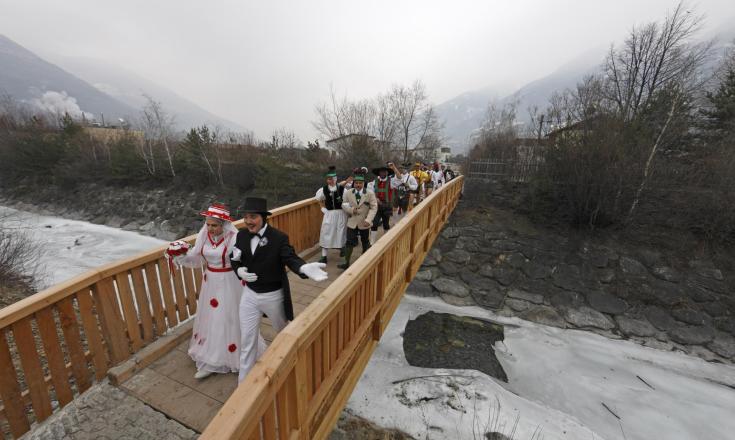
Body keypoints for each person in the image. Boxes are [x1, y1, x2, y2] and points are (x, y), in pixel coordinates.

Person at [230, 197, 328, 382]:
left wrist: (302, 268)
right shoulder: (241, 235)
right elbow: (234, 257)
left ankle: (292, 368)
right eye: (245, 217)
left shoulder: (278, 238)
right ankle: (243, 384)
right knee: (247, 340)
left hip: (273, 296)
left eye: (253, 217)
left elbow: (290, 257)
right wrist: (239, 270)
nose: (248, 221)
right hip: (249, 295)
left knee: (283, 333)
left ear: (263, 217)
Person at [167, 203, 265, 379]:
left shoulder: (234, 238)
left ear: (224, 224)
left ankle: (237, 356)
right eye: (208, 224)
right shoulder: (204, 237)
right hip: (210, 282)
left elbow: (246, 258)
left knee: (228, 316)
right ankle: (211, 358)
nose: (210, 228)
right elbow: (196, 258)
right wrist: (180, 254)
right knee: (212, 317)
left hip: (230, 281)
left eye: (214, 225)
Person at [338, 173, 377, 270]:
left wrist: (369, 220)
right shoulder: (349, 192)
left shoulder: (369, 193)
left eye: (360, 183)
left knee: (365, 241)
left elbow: (374, 207)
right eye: (356, 183)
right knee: (349, 241)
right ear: (354, 183)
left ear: (363, 183)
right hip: (352, 221)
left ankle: (365, 260)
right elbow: (344, 204)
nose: (358, 185)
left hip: (364, 222)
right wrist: (351, 210)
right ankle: (346, 262)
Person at [315, 166, 348, 263]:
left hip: (341, 213)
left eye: (332, 179)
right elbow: (319, 200)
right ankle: (324, 256)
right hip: (329, 214)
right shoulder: (323, 189)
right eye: (329, 179)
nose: (330, 181)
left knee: (341, 232)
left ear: (336, 179)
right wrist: (322, 208)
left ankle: (342, 249)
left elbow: (347, 201)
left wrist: (346, 209)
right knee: (326, 232)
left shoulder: (342, 189)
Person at [367, 162, 404, 245]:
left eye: (384, 172)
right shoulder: (374, 182)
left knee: (385, 223)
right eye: (381, 172)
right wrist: (375, 198)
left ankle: (385, 241)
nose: (383, 173)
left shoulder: (392, 181)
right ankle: (372, 242)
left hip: (387, 206)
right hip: (376, 206)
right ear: (379, 173)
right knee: (375, 223)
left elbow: (400, 179)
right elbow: (370, 192)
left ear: (387, 173)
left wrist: (394, 168)